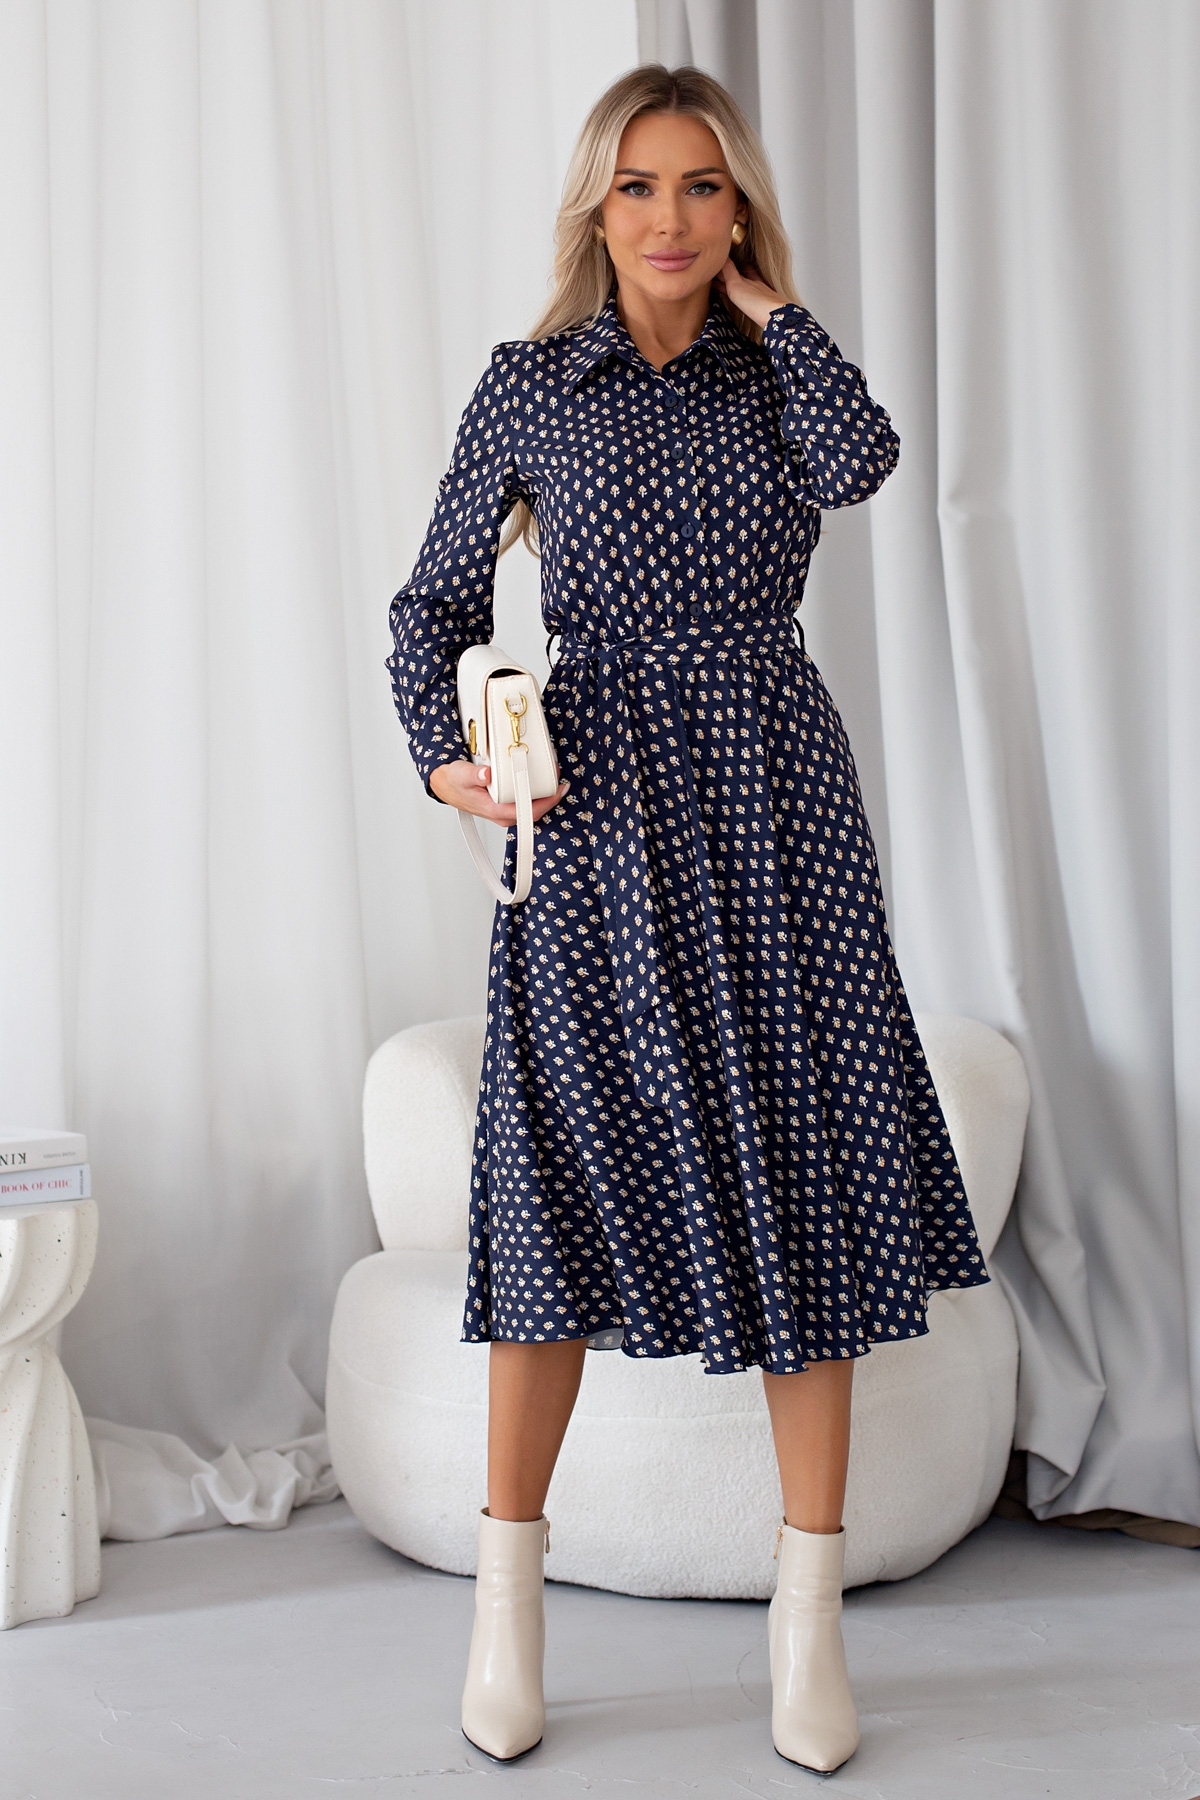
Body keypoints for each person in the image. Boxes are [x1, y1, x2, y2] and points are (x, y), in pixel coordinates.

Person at [387, 63, 988, 1774]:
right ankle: (508, 1612)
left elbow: (864, 461)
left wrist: (777, 311)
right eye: (640, 186)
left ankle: (810, 1628)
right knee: (552, 1182)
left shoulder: (778, 377)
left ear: (739, 209)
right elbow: (430, 605)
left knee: (803, 1171)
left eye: (703, 187)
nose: (668, 218)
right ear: (598, 202)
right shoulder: (529, 385)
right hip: (591, 814)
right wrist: (447, 761)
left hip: (776, 798)